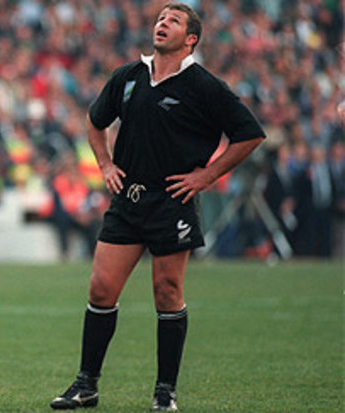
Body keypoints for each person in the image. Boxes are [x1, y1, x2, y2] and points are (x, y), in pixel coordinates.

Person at [50, 3, 265, 412]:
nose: (162, 23)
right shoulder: (129, 76)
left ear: (190, 40)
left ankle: (165, 393)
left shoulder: (204, 85)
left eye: (174, 20)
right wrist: (106, 164)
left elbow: (250, 134)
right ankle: (86, 385)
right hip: (128, 200)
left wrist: (206, 177)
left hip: (172, 202)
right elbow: (95, 122)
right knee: (100, 288)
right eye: (161, 18)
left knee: (167, 293)